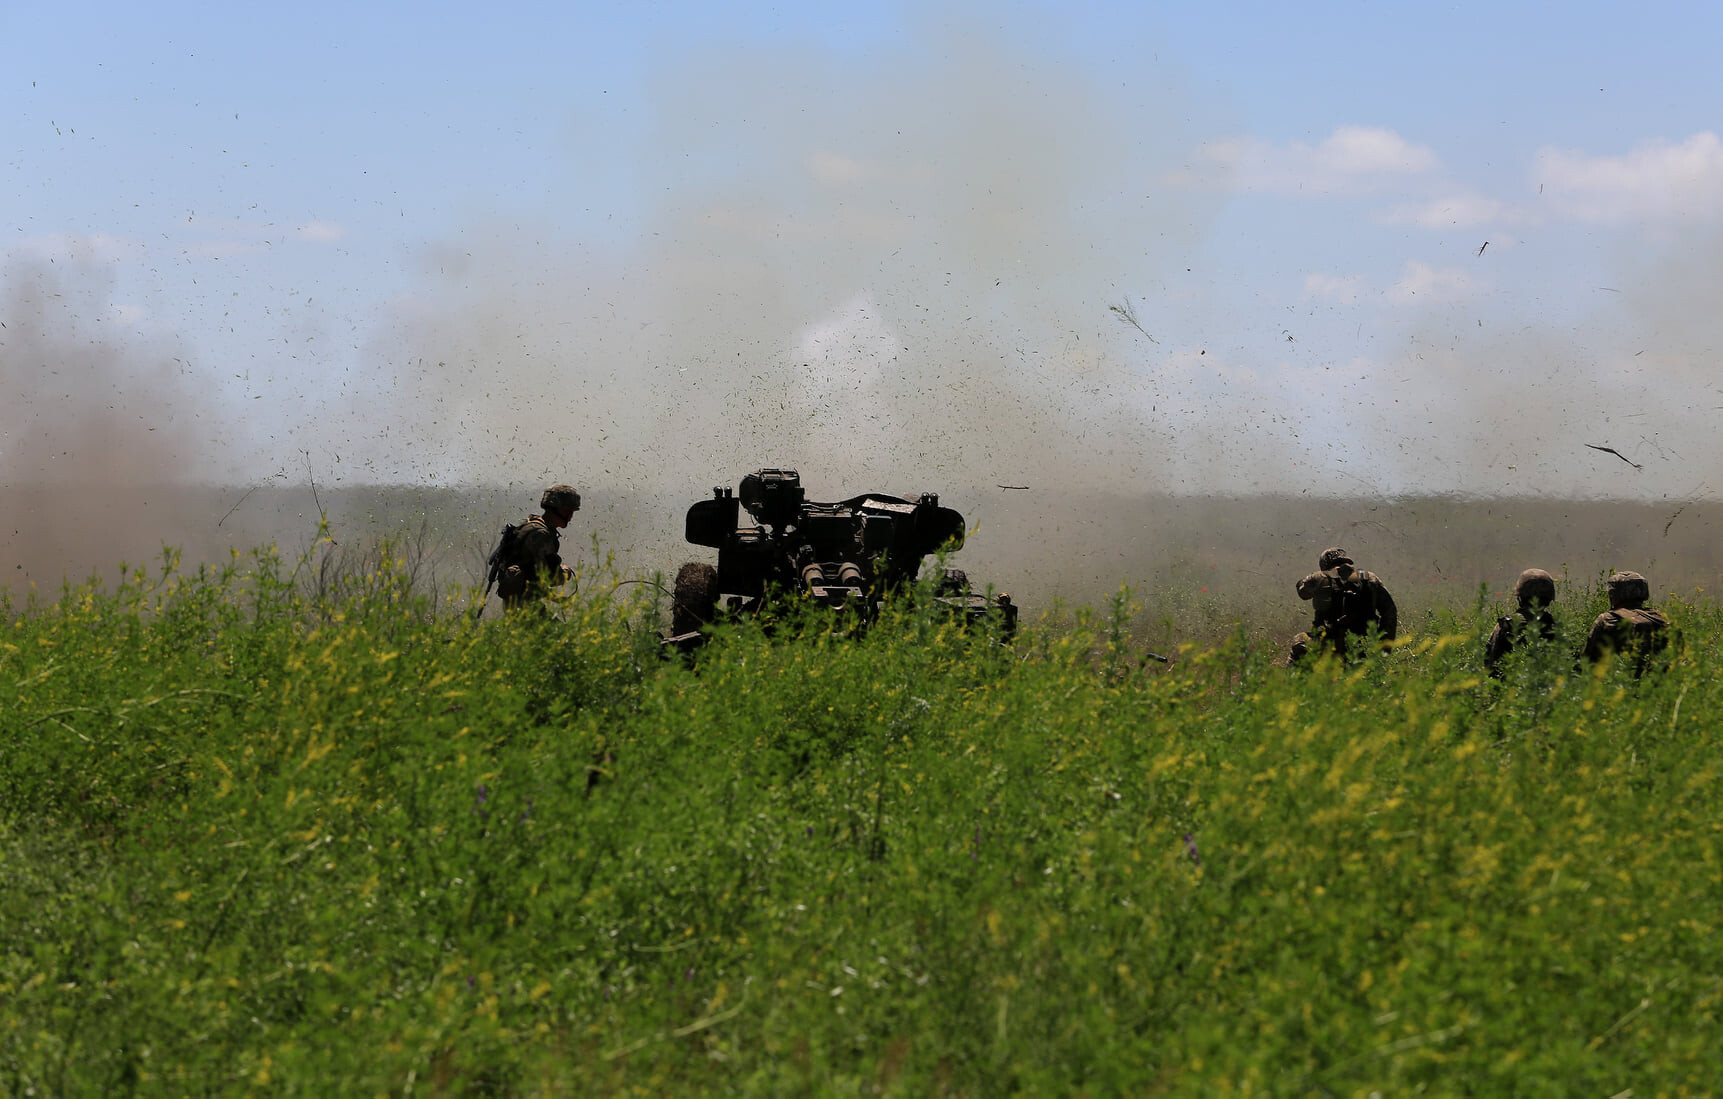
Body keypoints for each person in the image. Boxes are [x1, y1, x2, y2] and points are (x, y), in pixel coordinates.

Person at [1289, 547, 1398, 664]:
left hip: (1332, 642)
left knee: (1300, 641)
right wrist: (1384, 646)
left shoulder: (1318, 577)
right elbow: (1390, 612)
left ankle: (1293, 680)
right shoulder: (1369, 577)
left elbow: (1303, 593)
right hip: (1366, 643)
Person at [489, 483, 580, 612]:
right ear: (555, 508)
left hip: (518, 604)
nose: (570, 516)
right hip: (523, 607)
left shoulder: (531, 525)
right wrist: (565, 572)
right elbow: (551, 577)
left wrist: (553, 597)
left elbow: (530, 575)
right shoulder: (540, 534)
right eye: (568, 511)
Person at [1580, 570, 1671, 674]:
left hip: (1619, 681)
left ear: (1614, 594)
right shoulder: (1659, 618)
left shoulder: (1607, 619)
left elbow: (1587, 658)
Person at [1484, 568, 1559, 677]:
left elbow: (1490, 664)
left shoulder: (1506, 625)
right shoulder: (1556, 627)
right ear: (1548, 599)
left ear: (1520, 597)